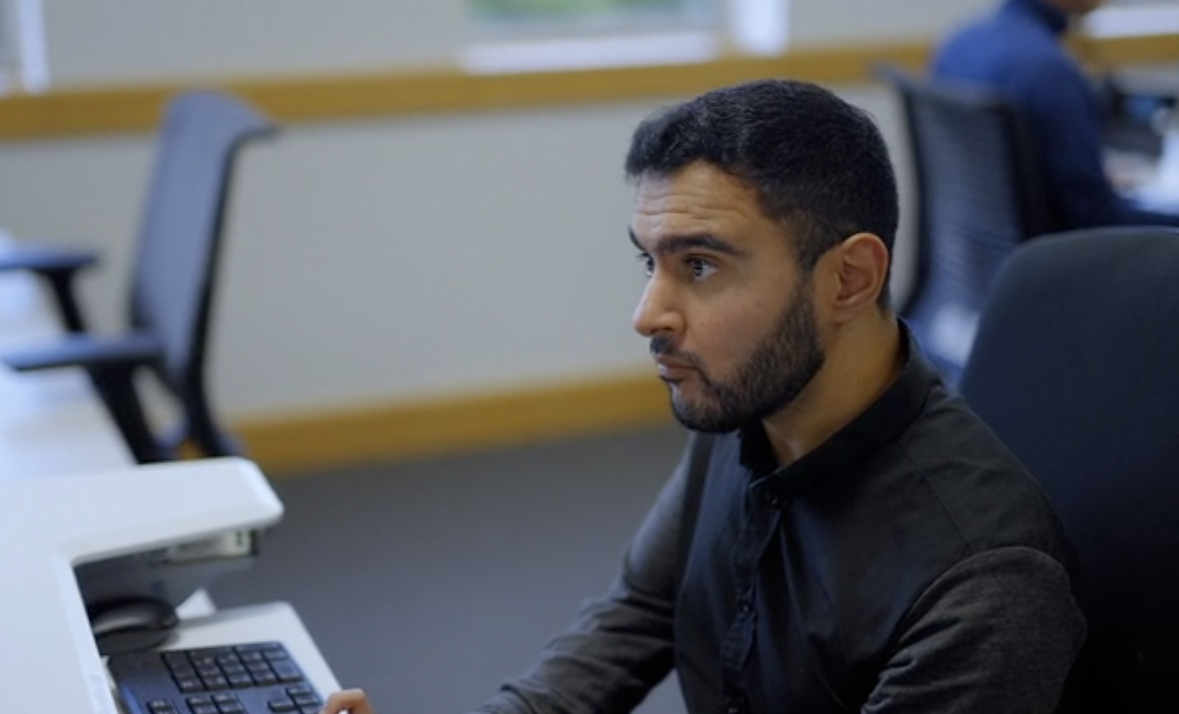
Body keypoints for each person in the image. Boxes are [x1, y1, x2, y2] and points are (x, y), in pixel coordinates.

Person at [324, 79, 1086, 714]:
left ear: (849, 279)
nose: (647, 314)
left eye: (700, 266)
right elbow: (636, 616)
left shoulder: (985, 583)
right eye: (648, 262)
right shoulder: (750, 405)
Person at [932, 0, 1179, 230]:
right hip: (1061, 253)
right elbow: (1095, 215)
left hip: (987, 254)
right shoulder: (1048, 72)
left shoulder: (962, 42)